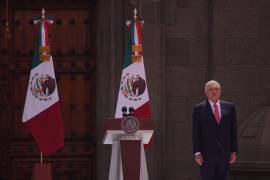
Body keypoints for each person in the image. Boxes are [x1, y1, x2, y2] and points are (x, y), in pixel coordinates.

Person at [192, 80, 238, 180]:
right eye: (211, 89)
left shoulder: (230, 107)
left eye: (216, 89)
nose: (214, 92)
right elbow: (196, 133)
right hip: (206, 154)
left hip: (225, 153)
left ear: (220, 92)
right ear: (206, 93)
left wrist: (234, 151)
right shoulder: (198, 109)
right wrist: (197, 152)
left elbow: (233, 130)